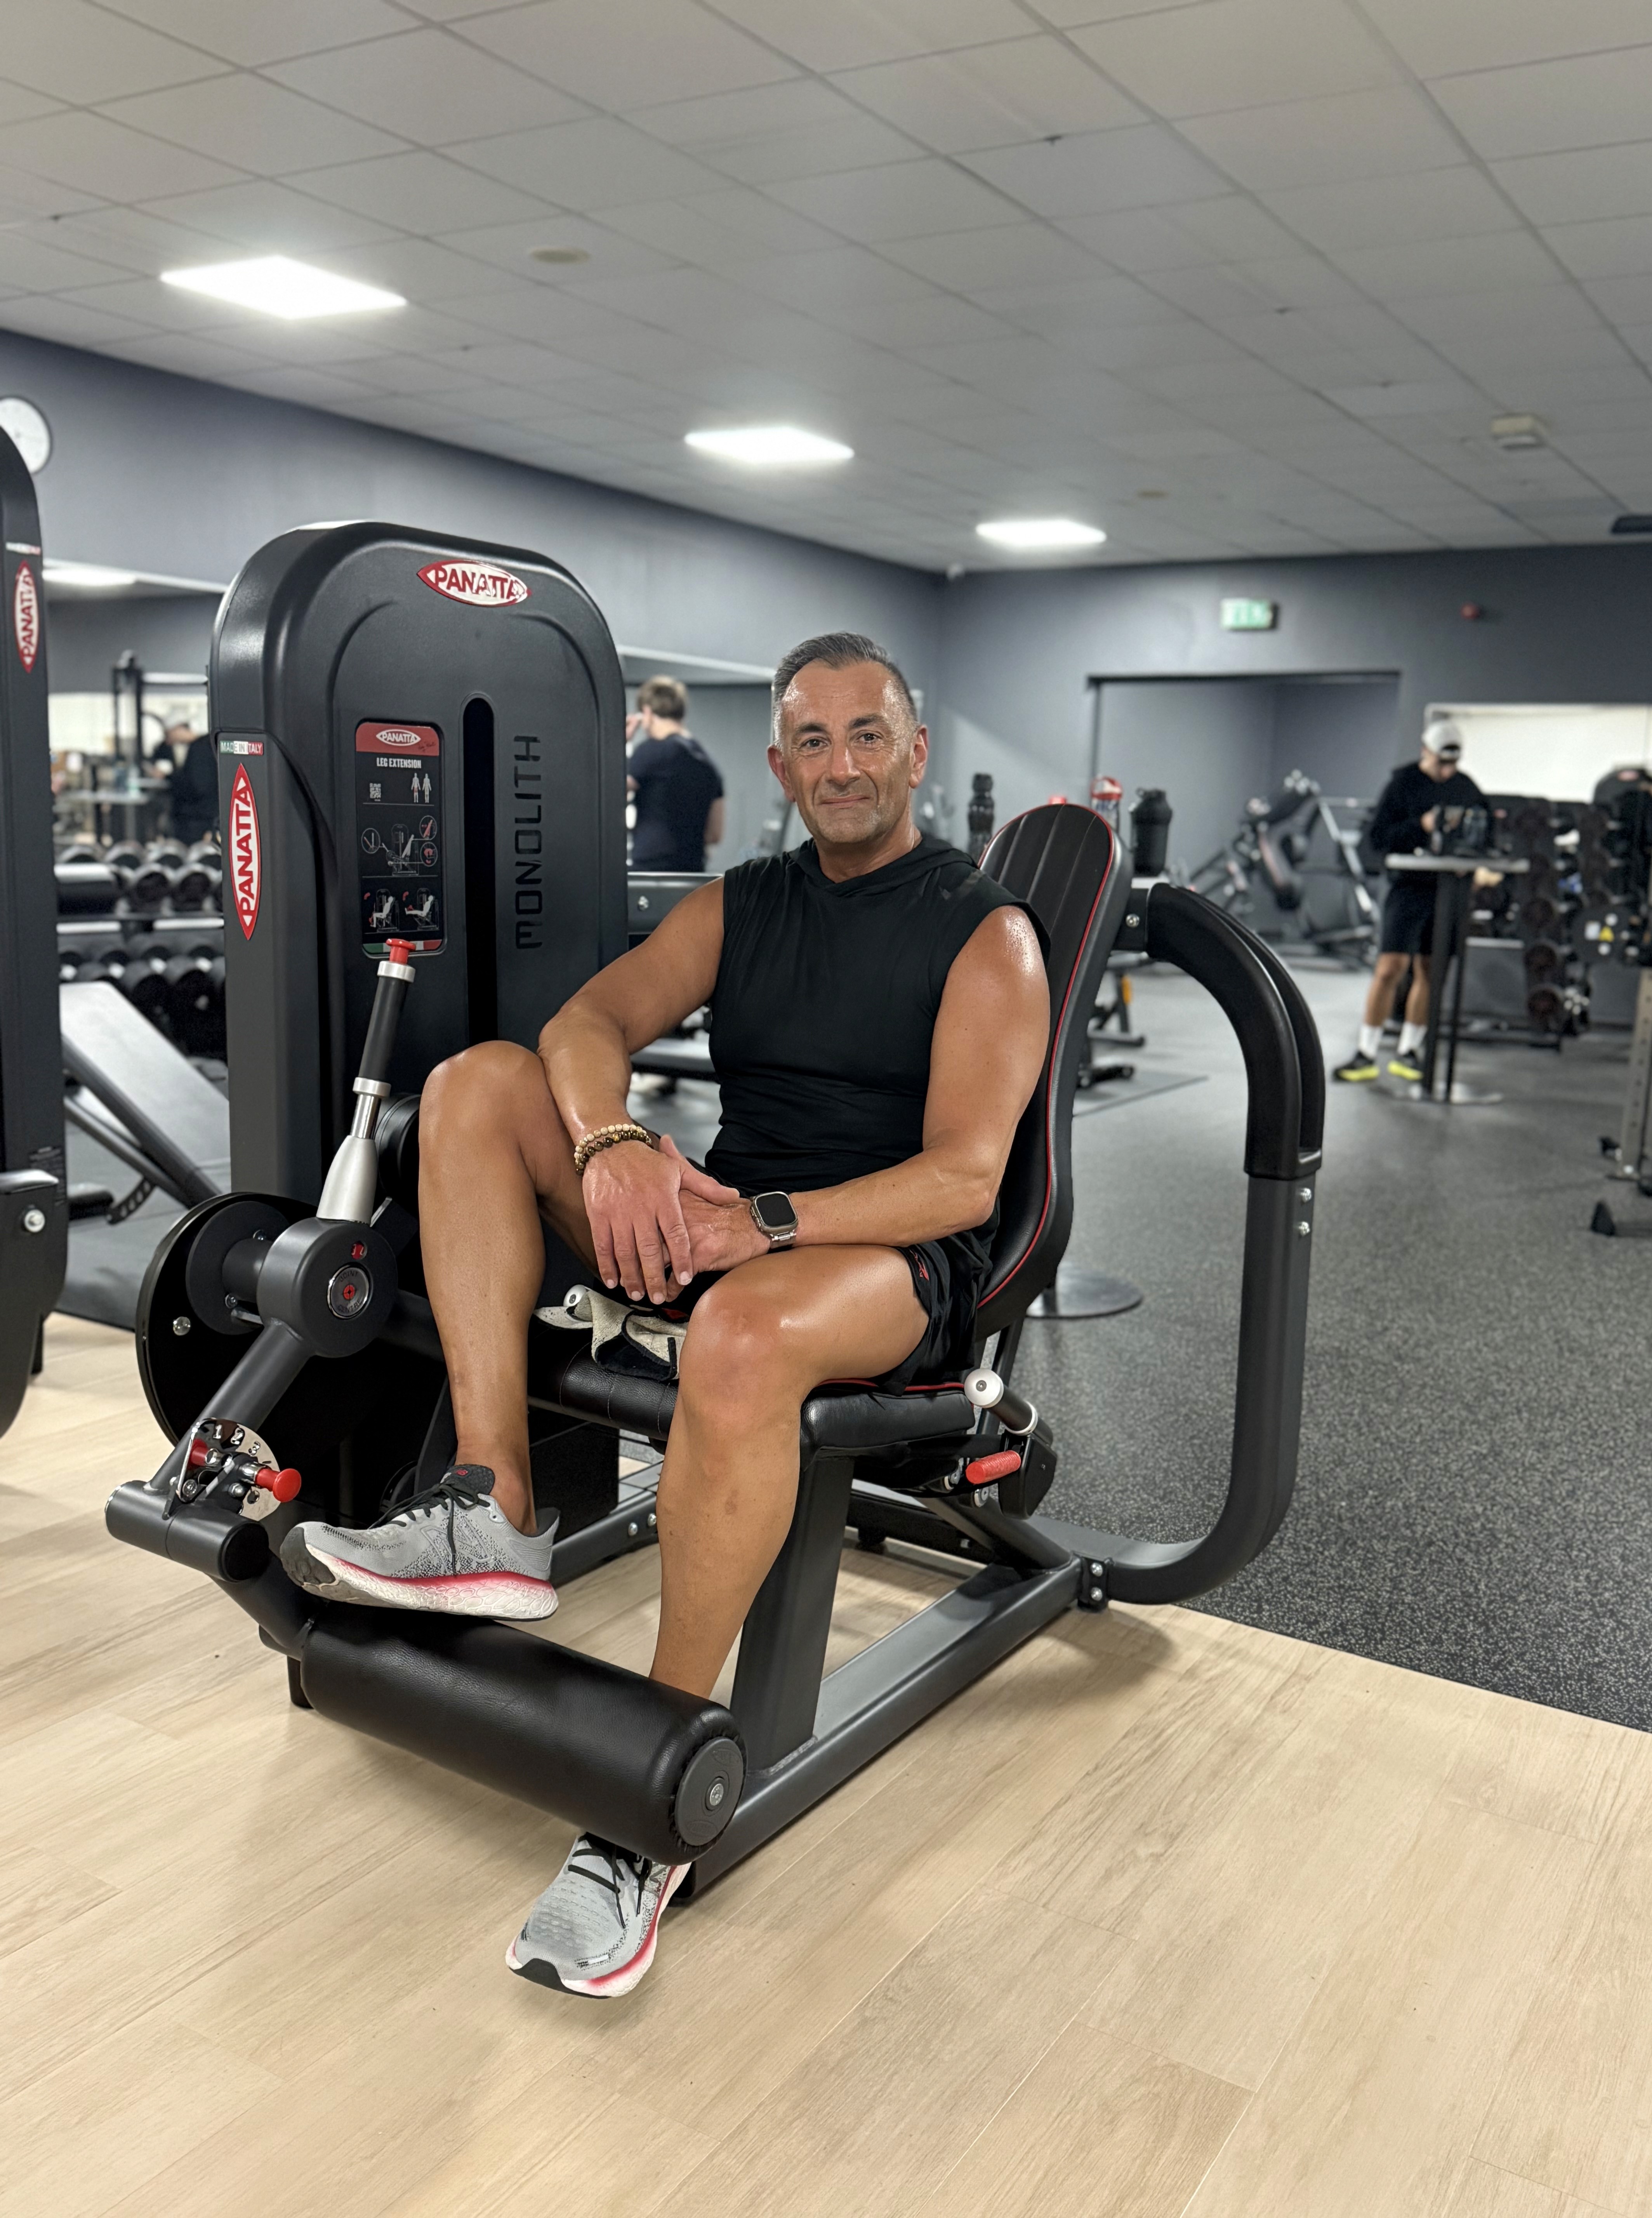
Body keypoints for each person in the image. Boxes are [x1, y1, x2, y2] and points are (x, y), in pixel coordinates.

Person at [279, 633, 1050, 1999]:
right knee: (472, 1087)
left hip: (888, 1259)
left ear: (915, 752)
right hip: (725, 1224)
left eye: (867, 734)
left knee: (742, 1332)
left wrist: (761, 1224)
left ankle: (650, 1778)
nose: (841, 765)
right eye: (811, 740)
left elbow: (966, 1177)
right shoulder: (741, 903)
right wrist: (613, 1138)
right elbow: (586, 1023)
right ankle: (493, 1502)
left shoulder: (987, 934)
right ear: (779, 766)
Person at [1333, 721, 1484, 1085]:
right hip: (1408, 887)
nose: (1446, 770)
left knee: (1432, 970)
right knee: (1390, 968)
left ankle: (1410, 1050)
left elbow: (1485, 833)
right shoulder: (1402, 785)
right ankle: (1366, 1052)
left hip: (1447, 891)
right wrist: (1422, 825)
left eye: (1453, 763)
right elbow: (1378, 838)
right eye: (1441, 762)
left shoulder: (1466, 788)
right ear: (1425, 752)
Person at [626, 675, 724, 870]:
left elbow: (608, 798)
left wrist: (620, 740)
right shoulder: (708, 763)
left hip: (650, 871)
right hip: (692, 873)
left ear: (647, 713)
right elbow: (715, 835)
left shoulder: (651, 751)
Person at [150, 720, 217, 843]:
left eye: (170, 734)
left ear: (179, 728)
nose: (169, 740)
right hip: (202, 815)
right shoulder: (205, 745)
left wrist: (168, 778)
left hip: (197, 817)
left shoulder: (200, 748)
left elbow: (197, 785)